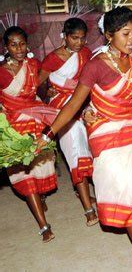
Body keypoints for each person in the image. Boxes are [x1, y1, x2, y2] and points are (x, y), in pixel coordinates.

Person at [37, 7, 132, 271]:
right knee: (124, 190)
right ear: (109, 35)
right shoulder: (96, 65)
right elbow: (74, 105)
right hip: (106, 134)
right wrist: (48, 133)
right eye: (125, 34)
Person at [0, 26, 58, 242]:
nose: (19, 49)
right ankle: (43, 226)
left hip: (35, 122)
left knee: (39, 169)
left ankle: (40, 197)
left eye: (22, 44)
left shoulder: (33, 65)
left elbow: (39, 88)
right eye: (13, 44)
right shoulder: (1, 71)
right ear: (6, 47)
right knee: (24, 176)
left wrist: (48, 91)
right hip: (13, 130)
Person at [39, 18, 98, 226]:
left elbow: (91, 79)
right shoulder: (53, 58)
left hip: (83, 106)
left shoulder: (86, 54)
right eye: (74, 38)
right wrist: (47, 91)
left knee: (92, 152)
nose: (79, 43)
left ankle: (90, 195)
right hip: (61, 111)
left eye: (82, 38)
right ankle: (88, 209)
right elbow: (35, 83)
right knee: (77, 155)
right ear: (64, 35)